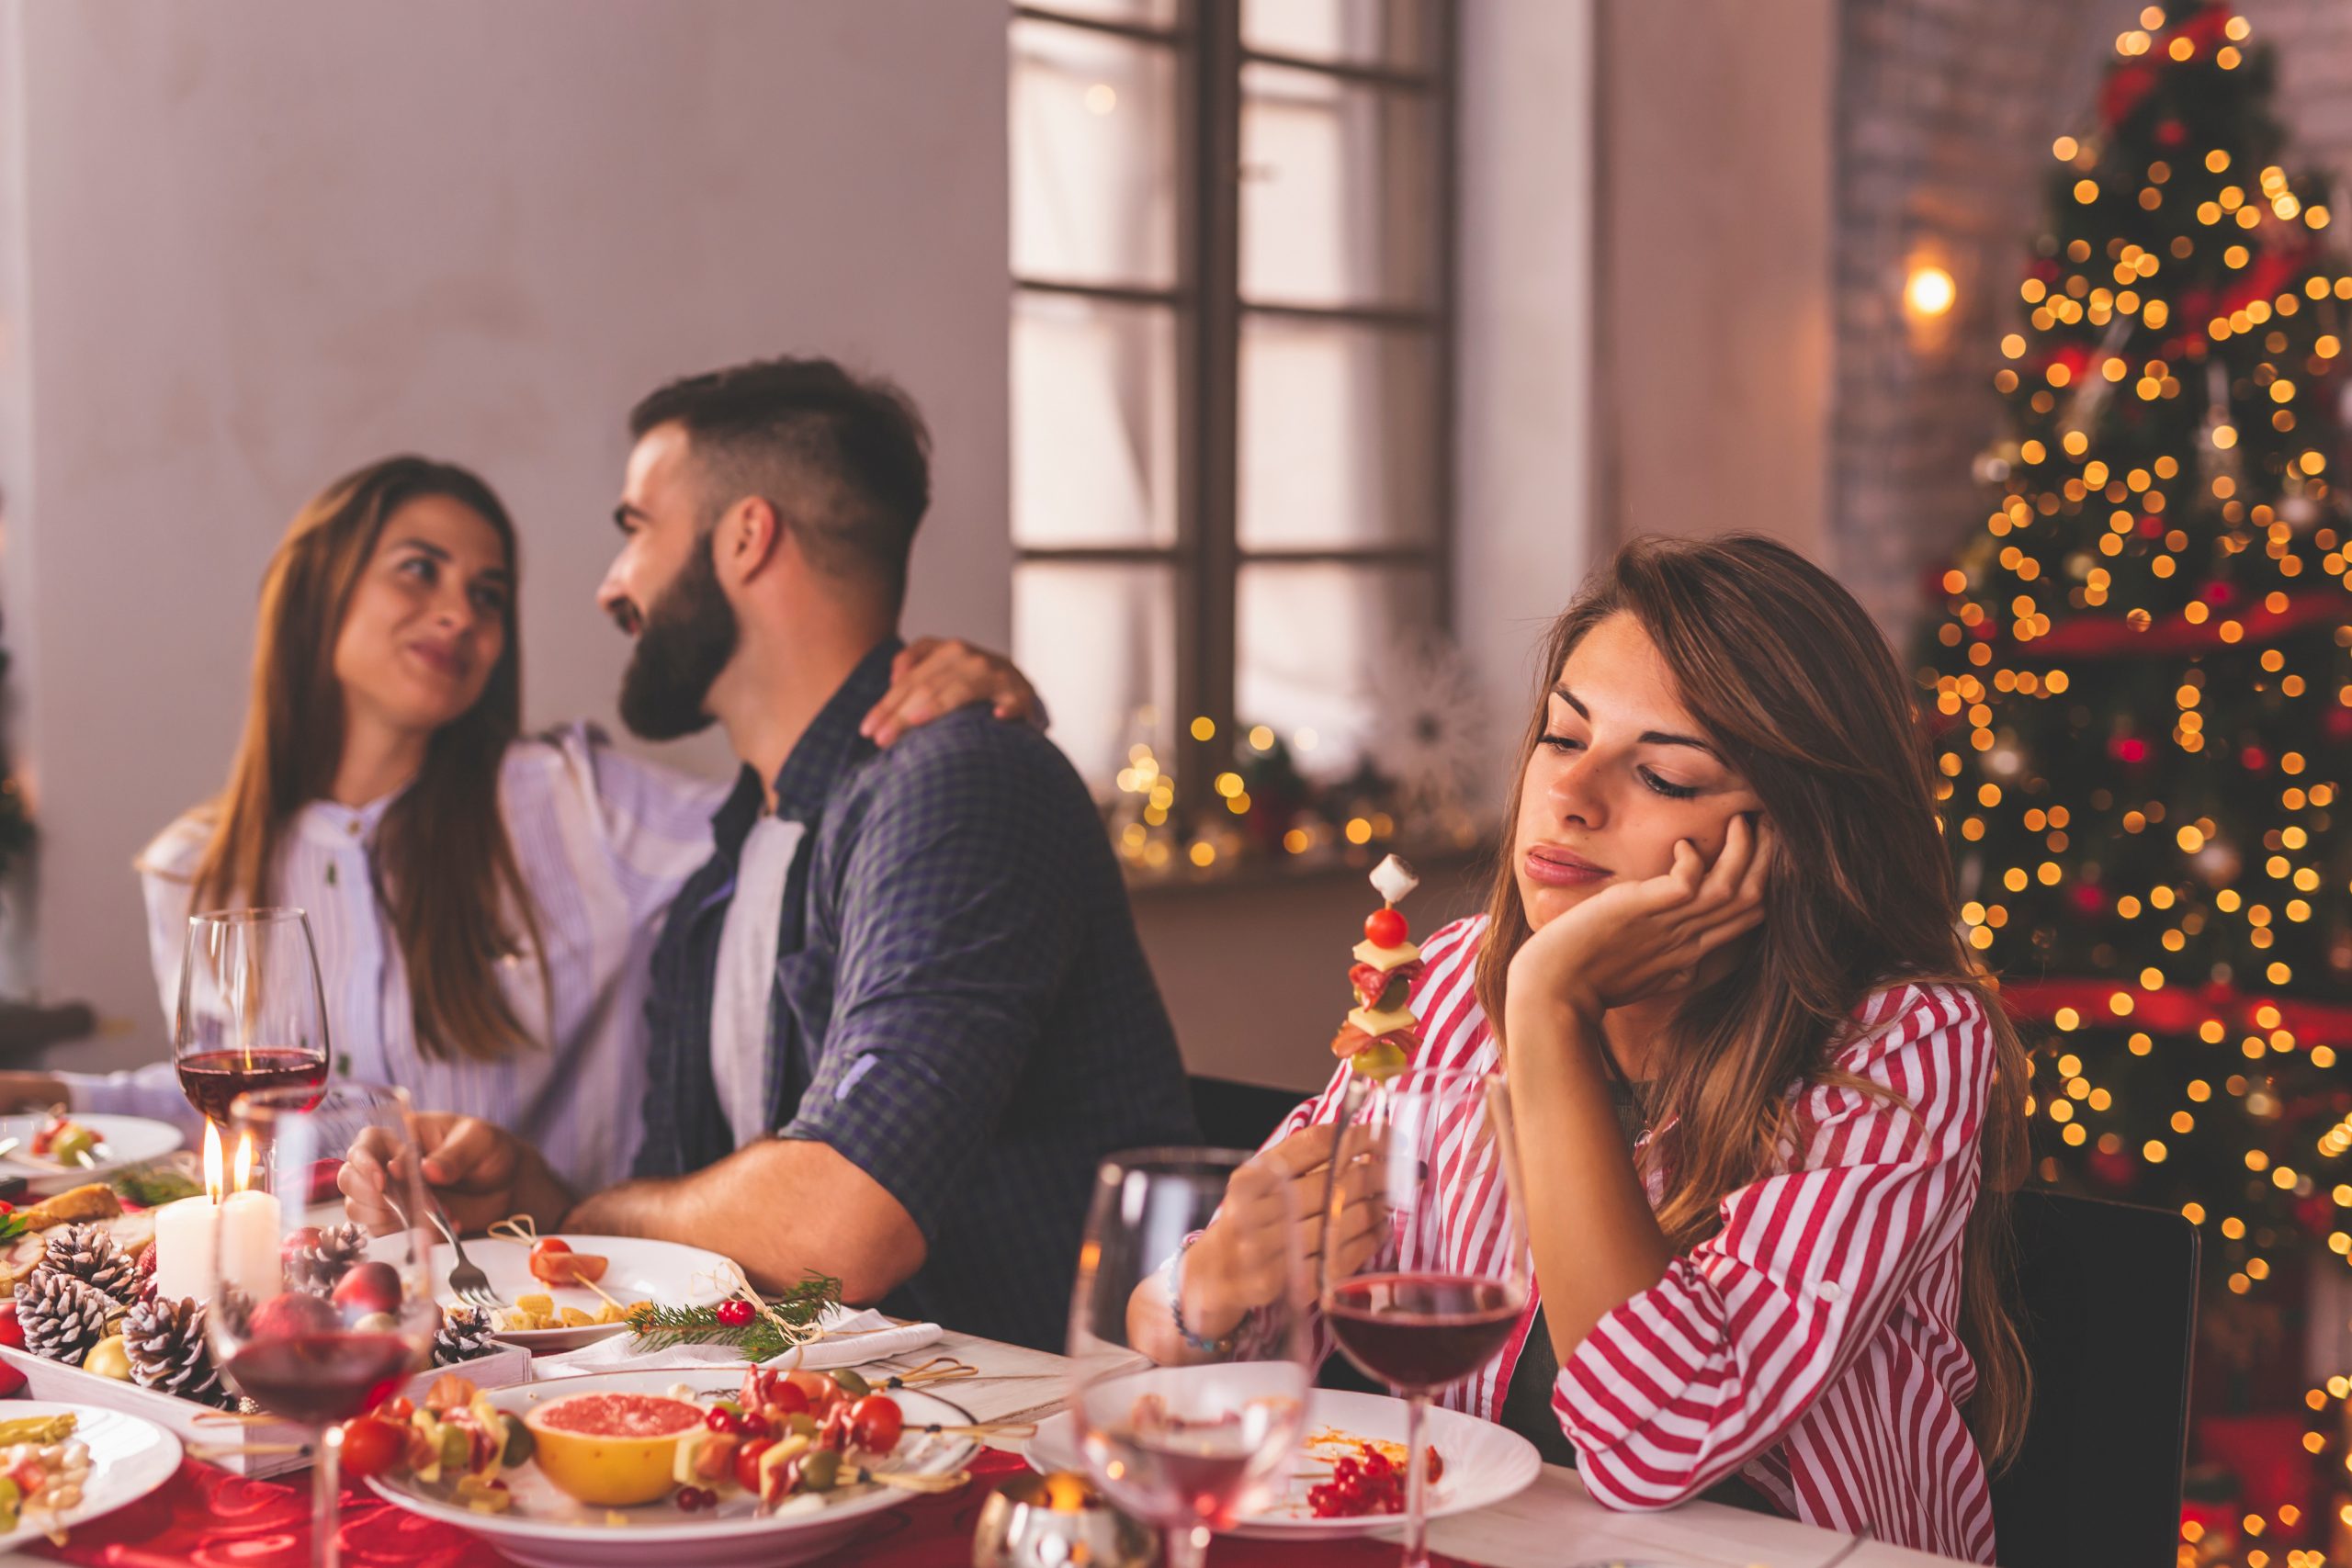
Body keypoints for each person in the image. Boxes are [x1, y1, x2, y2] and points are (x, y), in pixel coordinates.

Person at [1136, 535, 2029, 1562]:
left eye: (1660, 774)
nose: (1573, 796)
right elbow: (1168, 1316)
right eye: (1563, 739)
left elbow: (1656, 1444)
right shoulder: (1447, 979)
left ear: (1792, 837)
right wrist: (1208, 1293)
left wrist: (1548, 1008)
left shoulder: (1902, 1042)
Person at [347, 356, 1199, 1352]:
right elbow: (698, 1206)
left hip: (1032, 1456)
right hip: (823, 1434)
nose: (611, 586)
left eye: (635, 530)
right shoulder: (733, 849)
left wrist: (591, 1219)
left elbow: (838, 1226)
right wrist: (537, 1198)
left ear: (746, 538)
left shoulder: (960, 783)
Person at [0, 457, 1036, 1192]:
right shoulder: (197, 868)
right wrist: (36, 1093)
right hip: (316, 1308)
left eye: (488, 594)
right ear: (317, 589)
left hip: (550, 1317)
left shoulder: (572, 803)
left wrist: (955, 697)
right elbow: (229, 1101)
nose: (461, 612)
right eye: (420, 569)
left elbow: (805, 813)